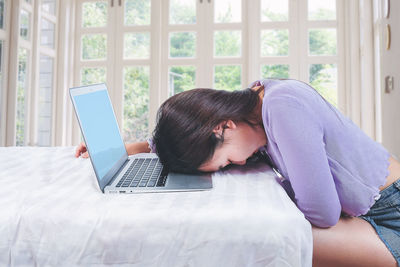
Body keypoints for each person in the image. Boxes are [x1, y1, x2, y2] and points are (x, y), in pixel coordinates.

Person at [76, 79, 400, 266]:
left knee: (249, 234)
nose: (240, 164)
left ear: (224, 126)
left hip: (391, 213)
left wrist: (282, 189)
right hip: (362, 211)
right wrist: (133, 147)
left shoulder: (281, 106)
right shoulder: (248, 112)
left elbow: (324, 213)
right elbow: (193, 134)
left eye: (227, 161)